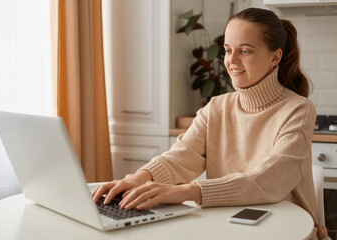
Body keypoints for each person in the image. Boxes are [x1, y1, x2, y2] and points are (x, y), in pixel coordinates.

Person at [92, 7, 319, 239]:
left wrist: (187, 192)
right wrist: (137, 178)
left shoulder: (298, 109)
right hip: (230, 228)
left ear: (275, 57)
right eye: (228, 50)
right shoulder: (217, 107)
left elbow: (270, 179)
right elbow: (181, 157)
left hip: (287, 230)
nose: (232, 60)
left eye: (245, 51)